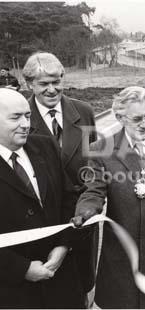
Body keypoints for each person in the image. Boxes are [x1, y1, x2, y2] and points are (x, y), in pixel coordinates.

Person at [72, 86, 145, 308]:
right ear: (119, 117)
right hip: (121, 249)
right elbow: (94, 191)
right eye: (137, 119)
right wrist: (85, 212)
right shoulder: (101, 149)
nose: (144, 124)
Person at [22, 51, 97, 302]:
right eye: (44, 84)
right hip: (44, 221)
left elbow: (93, 160)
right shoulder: (18, 117)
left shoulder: (84, 111)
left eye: (57, 82)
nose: (52, 90)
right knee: (50, 287)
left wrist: (92, 201)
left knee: (83, 281)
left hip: (82, 217)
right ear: (28, 84)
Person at [0, 88, 84, 308]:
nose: (26, 124)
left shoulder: (45, 145)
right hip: (12, 292)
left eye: (27, 116)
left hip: (62, 280)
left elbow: (69, 199)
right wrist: (22, 270)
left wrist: (64, 246)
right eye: (15, 118)